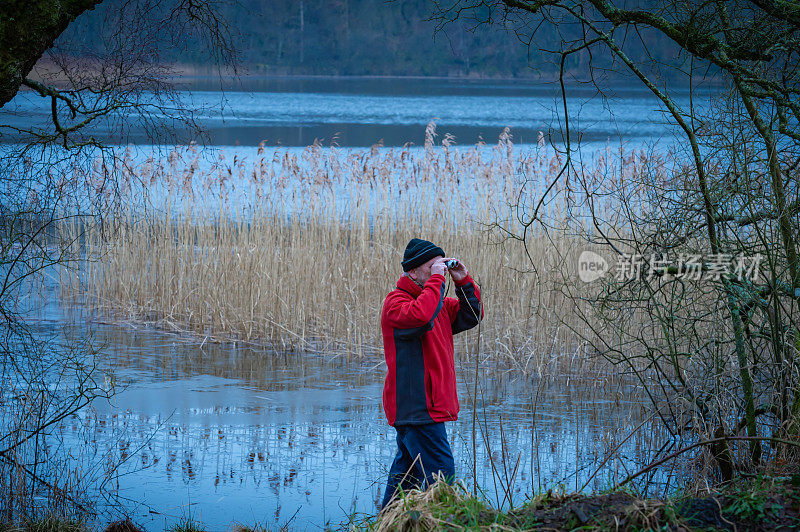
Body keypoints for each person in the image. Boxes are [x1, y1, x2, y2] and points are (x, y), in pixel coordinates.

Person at [380, 237, 483, 509]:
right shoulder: (396, 304)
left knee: (407, 478)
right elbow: (421, 316)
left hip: (426, 406)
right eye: (430, 267)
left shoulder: (436, 304)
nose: (438, 272)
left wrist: (462, 280)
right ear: (412, 272)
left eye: (441, 266)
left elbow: (472, 315)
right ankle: (443, 521)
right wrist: (438, 280)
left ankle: (387, 522)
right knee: (441, 474)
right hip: (417, 407)